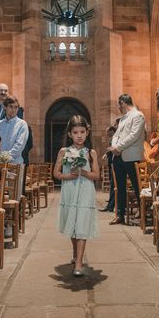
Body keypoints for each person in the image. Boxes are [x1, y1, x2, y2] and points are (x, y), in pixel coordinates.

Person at [54, 115, 100, 276]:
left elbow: (96, 176)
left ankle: (79, 263)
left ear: (87, 133)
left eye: (82, 132)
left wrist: (83, 172)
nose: (79, 135)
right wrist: (68, 176)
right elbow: (56, 173)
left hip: (86, 190)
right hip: (70, 191)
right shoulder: (64, 152)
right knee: (72, 224)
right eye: (75, 132)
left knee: (81, 224)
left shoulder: (91, 153)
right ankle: (75, 254)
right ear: (69, 134)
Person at [108, 94, 146, 225]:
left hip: (131, 156)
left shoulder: (138, 115)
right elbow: (117, 134)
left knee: (137, 186)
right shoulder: (124, 118)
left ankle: (142, 214)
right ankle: (120, 214)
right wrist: (114, 146)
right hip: (118, 156)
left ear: (123, 103)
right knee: (120, 186)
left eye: (119, 105)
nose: (119, 108)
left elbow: (134, 135)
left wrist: (118, 147)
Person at [0, 96, 29, 197]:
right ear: (4, 107)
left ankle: (16, 213)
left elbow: (19, 146)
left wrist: (4, 158)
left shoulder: (22, 124)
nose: (14, 110)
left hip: (15, 165)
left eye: (16, 107)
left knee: (14, 197)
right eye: (11, 106)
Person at [99, 125, 118, 212]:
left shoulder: (116, 138)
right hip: (112, 163)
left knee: (114, 185)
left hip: (115, 164)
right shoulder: (112, 138)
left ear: (112, 131)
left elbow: (113, 150)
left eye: (107, 132)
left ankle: (111, 206)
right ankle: (111, 205)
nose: (106, 134)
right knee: (112, 185)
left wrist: (106, 154)